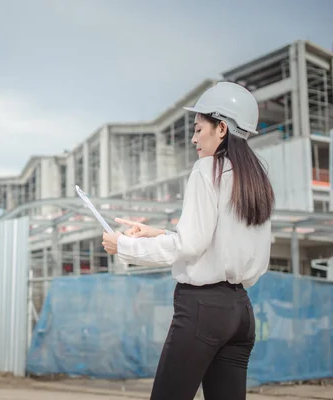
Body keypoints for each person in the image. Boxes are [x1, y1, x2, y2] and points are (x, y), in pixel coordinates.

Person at [102, 81, 274, 400]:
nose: (194, 138)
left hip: (202, 311)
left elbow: (190, 246)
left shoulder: (207, 169)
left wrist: (122, 246)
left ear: (221, 127)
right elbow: (219, 241)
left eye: (198, 128)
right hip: (240, 312)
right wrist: (157, 233)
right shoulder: (256, 177)